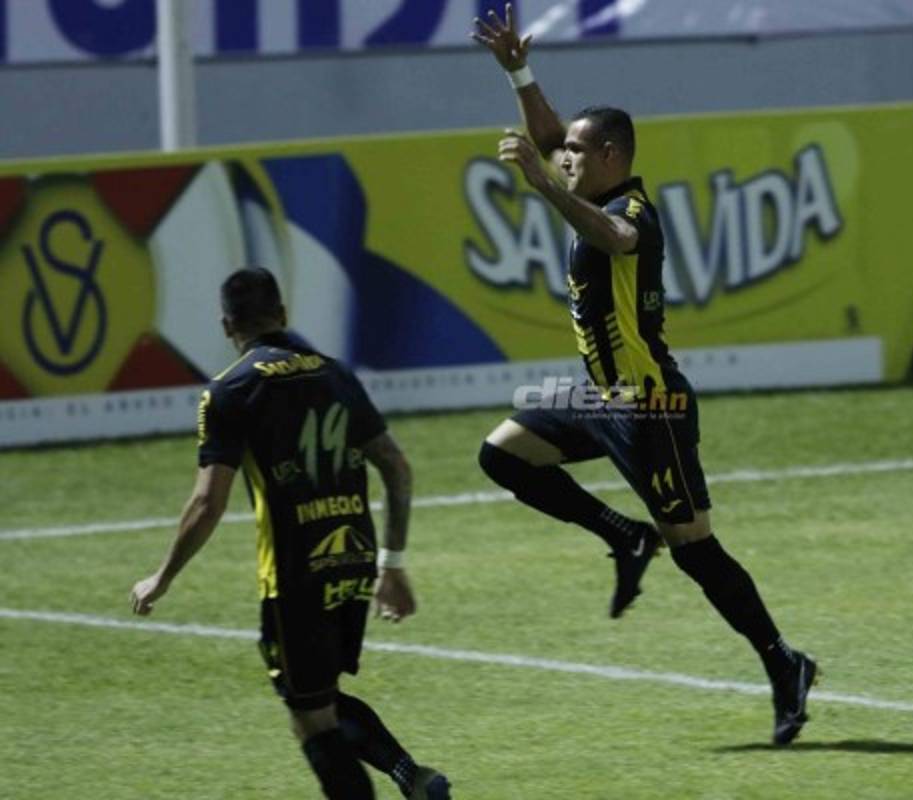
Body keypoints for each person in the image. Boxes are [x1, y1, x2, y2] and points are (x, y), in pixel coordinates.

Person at [471, 6, 818, 746]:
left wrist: (541, 184)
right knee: (503, 453)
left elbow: (618, 239)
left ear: (607, 158)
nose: (558, 154)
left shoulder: (631, 211)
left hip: (651, 406)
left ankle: (783, 662)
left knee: (695, 547)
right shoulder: (588, 188)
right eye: (560, 150)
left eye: (572, 150)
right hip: (603, 396)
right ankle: (623, 537)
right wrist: (520, 73)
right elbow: (545, 140)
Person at [130, 268, 450, 799]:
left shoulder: (229, 392)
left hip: (294, 574)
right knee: (320, 695)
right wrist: (391, 563)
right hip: (353, 559)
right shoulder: (336, 374)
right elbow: (395, 465)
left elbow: (209, 502)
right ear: (283, 315)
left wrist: (162, 577)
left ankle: (411, 779)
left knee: (311, 717)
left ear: (227, 325)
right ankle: (412, 778)